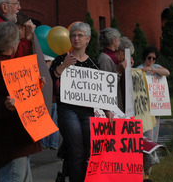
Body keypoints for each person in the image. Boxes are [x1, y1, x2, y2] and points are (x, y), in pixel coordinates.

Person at [0, 21, 43, 182]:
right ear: (12, 43)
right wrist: (6, 106)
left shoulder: (5, 63)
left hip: (17, 140)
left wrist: (34, 86)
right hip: (11, 142)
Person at [49, 22, 104, 182]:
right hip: (67, 110)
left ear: (88, 39)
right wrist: (63, 66)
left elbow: (101, 91)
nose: (76, 38)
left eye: (80, 35)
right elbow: (49, 81)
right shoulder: (62, 59)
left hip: (87, 111)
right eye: (73, 35)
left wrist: (107, 110)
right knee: (77, 150)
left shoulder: (94, 64)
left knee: (88, 150)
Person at [137, 46, 170, 182]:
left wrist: (153, 70)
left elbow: (167, 72)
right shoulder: (138, 69)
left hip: (155, 109)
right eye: (149, 57)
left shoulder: (156, 67)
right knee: (143, 140)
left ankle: (148, 172)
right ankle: (141, 170)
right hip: (142, 110)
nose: (151, 60)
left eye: (153, 58)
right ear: (144, 57)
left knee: (152, 141)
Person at [98, 28, 125, 112]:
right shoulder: (105, 58)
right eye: (119, 39)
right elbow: (106, 84)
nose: (120, 42)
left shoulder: (116, 56)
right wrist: (119, 70)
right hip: (111, 105)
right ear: (114, 40)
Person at [41, 55, 59, 150]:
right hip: (53, 100)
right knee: (54, 123)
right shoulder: (54, 72)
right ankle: (53, 143)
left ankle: (44, 142)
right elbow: (57, 87)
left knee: (45, 122)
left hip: (45, 100)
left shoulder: (42, 71)